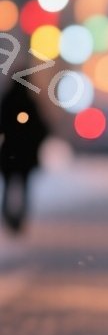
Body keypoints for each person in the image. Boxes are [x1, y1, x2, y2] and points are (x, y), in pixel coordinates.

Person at [0, 83, 51, 235]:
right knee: (24, 187)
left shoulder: (8, 102)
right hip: (24, 155)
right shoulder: (31, 103)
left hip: (10, 154)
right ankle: (19, 216)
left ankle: (9, 216)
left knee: (9, 187)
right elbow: (43, 129)